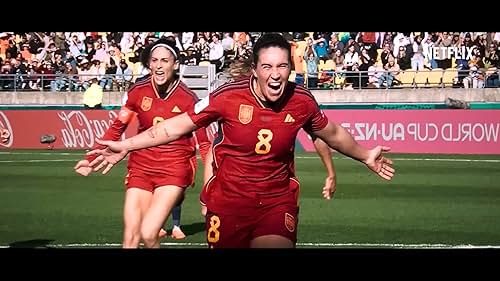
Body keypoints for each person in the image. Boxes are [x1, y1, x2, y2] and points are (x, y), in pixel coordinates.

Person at [87, 33, 396, 248]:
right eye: (268, 67)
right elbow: (173, 128)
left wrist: (365, 154)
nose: (275, 75)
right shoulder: (226, 96)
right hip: (229, 203)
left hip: (276, 202)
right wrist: (125, 146)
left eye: (282, 66)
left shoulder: (301, 100)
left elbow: (333, 134)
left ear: (291, 67)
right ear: (256, 69)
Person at [74, 38, 210, 248]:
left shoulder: (188, 99)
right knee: (130, 237)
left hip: (173, 168)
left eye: (164, 60)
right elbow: (117, 127)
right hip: (141, 166)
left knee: (148, 233)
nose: (158, 65)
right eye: (154, 60)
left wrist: (210, 185)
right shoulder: (137, 91)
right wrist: (91, 157)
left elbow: (205, 144)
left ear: (175, 64)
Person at [198, 54, 338, 217]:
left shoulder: (292, 103)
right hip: (232, 194)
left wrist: (331, 172)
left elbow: (318, 134)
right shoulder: (232, 108)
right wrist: (207, 196)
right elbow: (212, 155)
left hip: (277, 194)